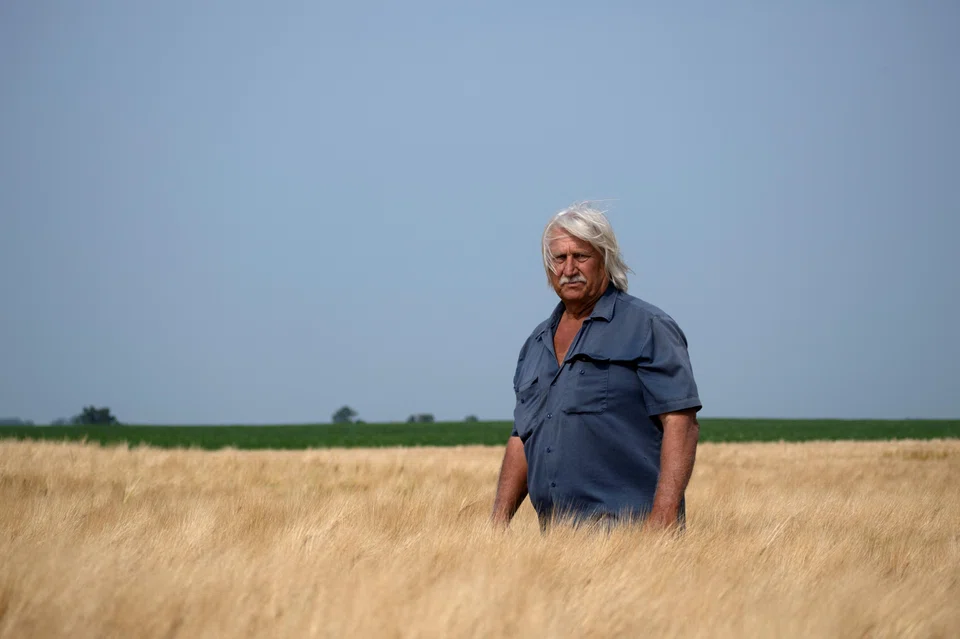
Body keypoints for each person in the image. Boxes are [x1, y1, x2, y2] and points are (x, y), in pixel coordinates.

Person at [490, 203, 702, 532]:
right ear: (549, 268)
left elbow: (680, 422)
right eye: (559, 258)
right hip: (556, 542)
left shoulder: (647, 326)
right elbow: (522, 438)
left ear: (605, 259)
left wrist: (663, 519)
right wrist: (497, 525)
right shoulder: (535, 344)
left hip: (630, 536)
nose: (569, 268)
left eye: (581, 256)